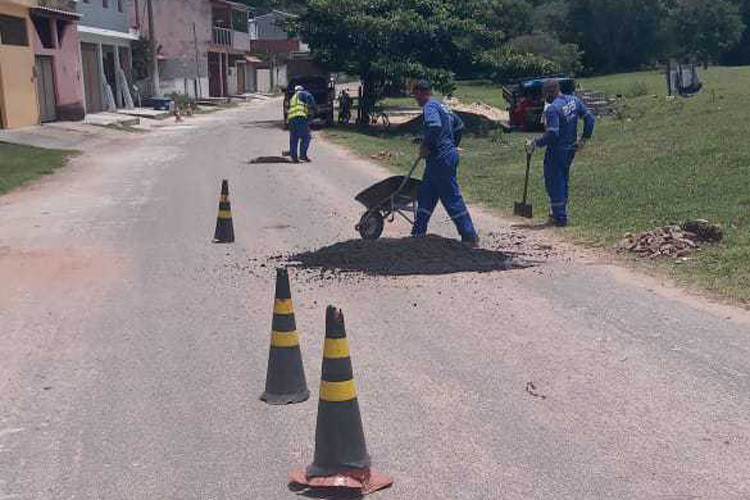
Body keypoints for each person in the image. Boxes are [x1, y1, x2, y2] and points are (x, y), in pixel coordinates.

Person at [412, 80, 479, 246]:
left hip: (441, 158)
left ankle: (470, 236)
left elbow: (434, 127)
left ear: (421, 93)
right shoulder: (443, 106)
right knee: (426, 193)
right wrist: (452, 145)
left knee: (451, 197)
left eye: (415, 95)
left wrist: (426, 145)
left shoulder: (429, 107)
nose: (416, 99)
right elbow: (459, 126)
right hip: (442, 157)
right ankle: (418, 233)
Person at [525, 79, 595, 227]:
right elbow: (590, 118)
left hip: (556, 151)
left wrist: (535, 143)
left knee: (554, 182)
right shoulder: (574, 100)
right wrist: (584, 139)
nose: (544, 98)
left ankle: (560, 217)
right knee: (563, 180)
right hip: (571, 149)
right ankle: (557, 211)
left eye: (545, 94)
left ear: (550, 92)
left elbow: (553, 134)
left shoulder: (553, 109)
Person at [287, 85, 316, 163]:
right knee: (306, 136)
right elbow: (309, 96)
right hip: (299, 118)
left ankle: (294, 157)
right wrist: (314, 107)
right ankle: (302, 155)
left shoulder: (293, 98)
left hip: (291, 119)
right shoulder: (302, 93)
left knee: (294, 138)